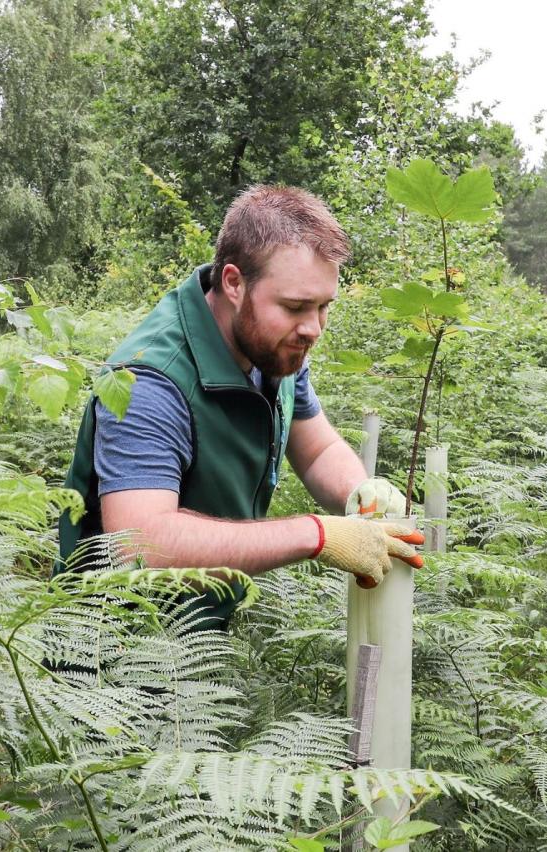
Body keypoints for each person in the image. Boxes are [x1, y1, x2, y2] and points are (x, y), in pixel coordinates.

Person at [57, 185, 423, 631]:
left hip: (194, 643)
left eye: (324, 306)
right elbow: (141, 544)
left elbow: (317, 449)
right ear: (233, 282)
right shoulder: (150, 380)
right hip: (110, 656)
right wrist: (317, 535)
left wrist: (359, 492)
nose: (313, 329)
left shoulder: (271, 347)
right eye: (294, 306)